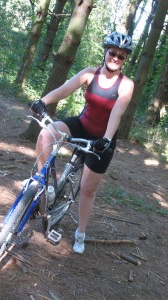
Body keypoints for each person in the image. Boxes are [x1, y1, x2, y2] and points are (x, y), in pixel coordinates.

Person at [30, 32, 134, 254]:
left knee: (87, 189)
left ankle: (81, 233)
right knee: (46, 134)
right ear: (105, 52)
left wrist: (106, 139)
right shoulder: (89, 74)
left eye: (121, 56)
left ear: (125, 60)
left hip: (103, 138)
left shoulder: (126, 84)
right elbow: (65, 89)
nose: (116, 58)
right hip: (81, 124)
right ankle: (45, 186)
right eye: (113, 52)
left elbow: (117, 112)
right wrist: (42, 101)